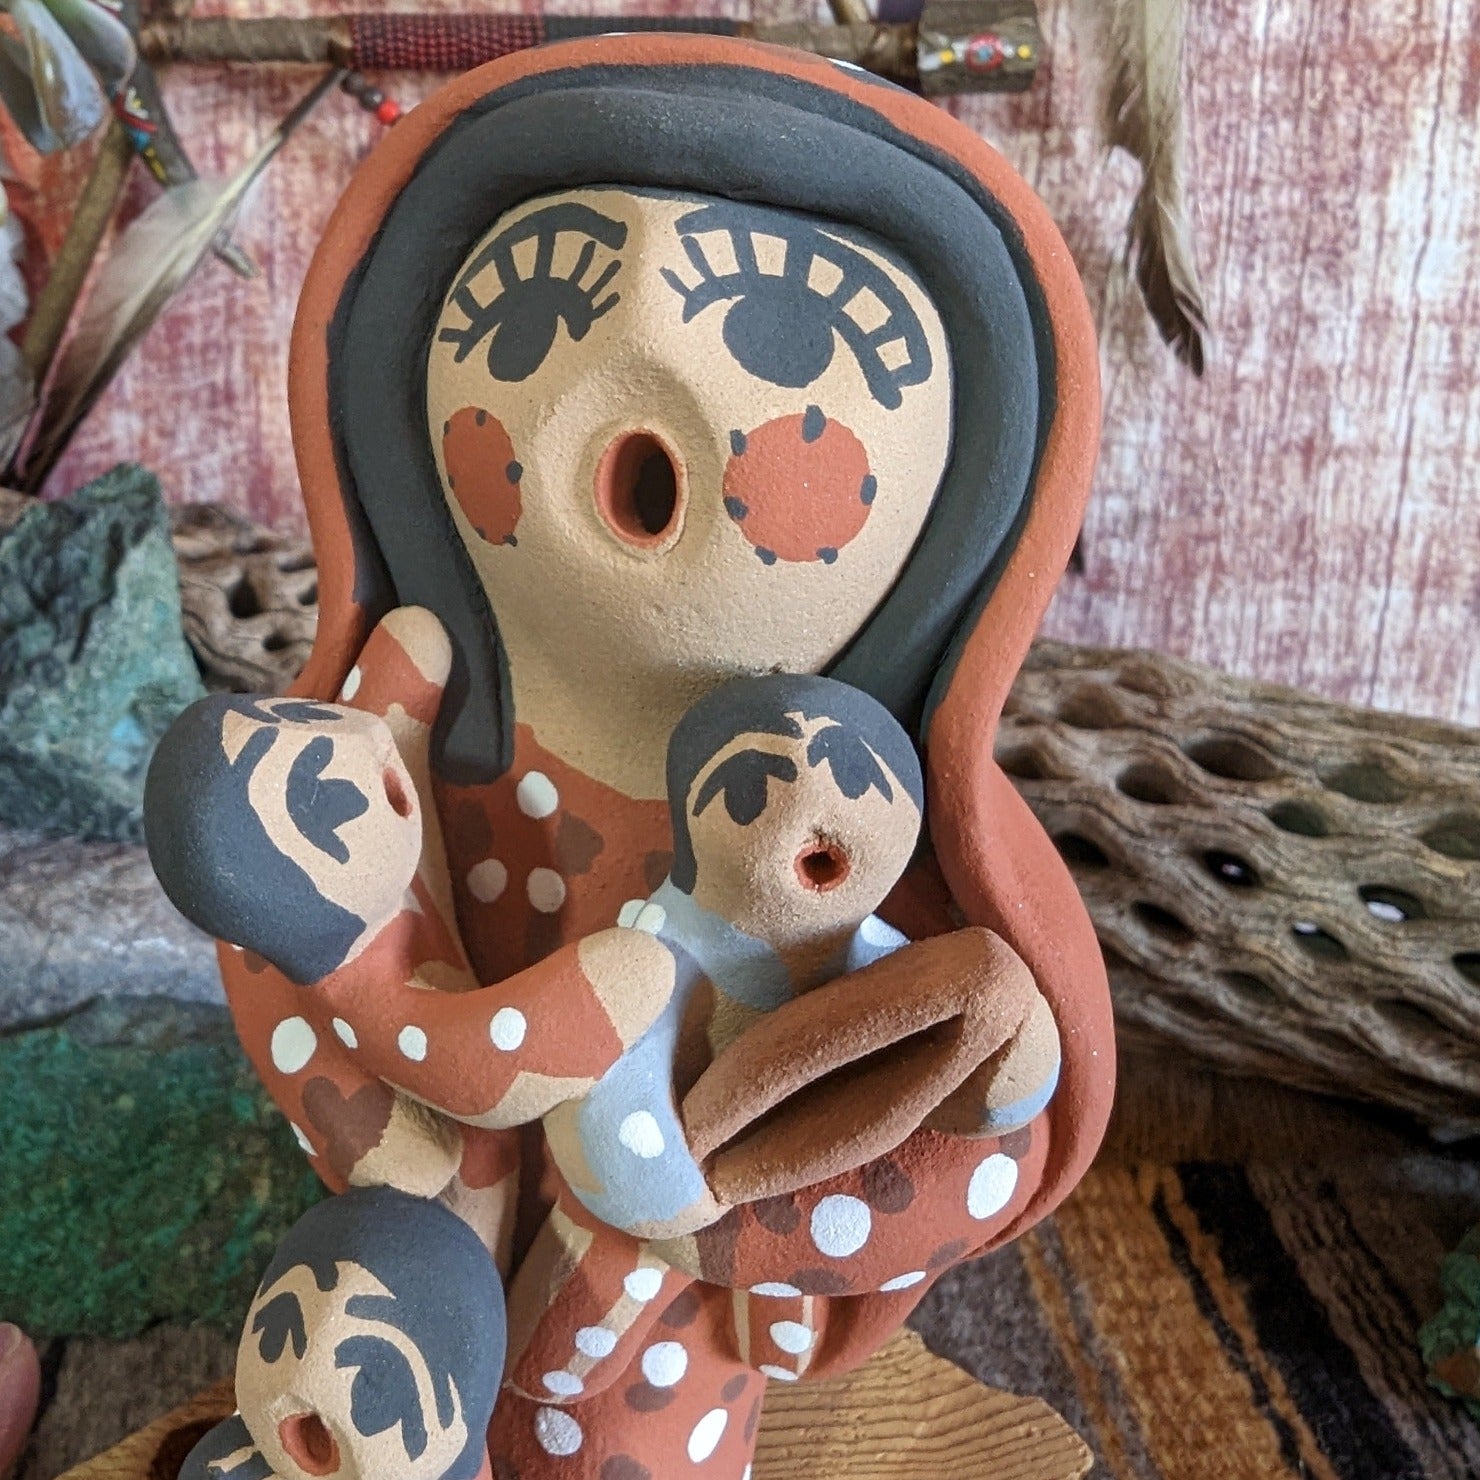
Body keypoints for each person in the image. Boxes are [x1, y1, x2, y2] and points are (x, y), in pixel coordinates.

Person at [149, 32, 1113, 1477]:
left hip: (670, 1342)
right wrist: (396, 1100)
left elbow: (984, 1128)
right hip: (420, 1276)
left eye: (796, 338)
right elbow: (280, 935)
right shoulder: (396, 736)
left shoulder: (871, 844)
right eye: (537, 311)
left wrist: (704, 1214)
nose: (648, 373)